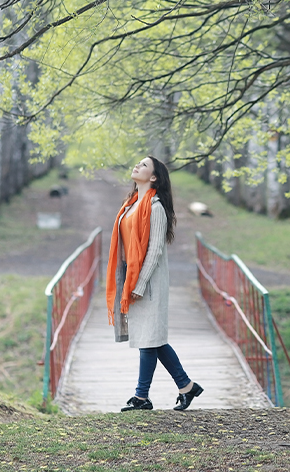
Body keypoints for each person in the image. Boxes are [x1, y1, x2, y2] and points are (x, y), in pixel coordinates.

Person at [105, 155, 203, 411]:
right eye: (137, 162)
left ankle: (141, 397)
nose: (137, 165)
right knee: (152, 339)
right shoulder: (131, 204)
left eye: (144, 165)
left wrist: (139, 283)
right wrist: (129, 280)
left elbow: (156, 249)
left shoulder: (156, 207)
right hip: (133, 277)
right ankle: (186, 386)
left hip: (150, 281)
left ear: (154, 177)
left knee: (149, 339)